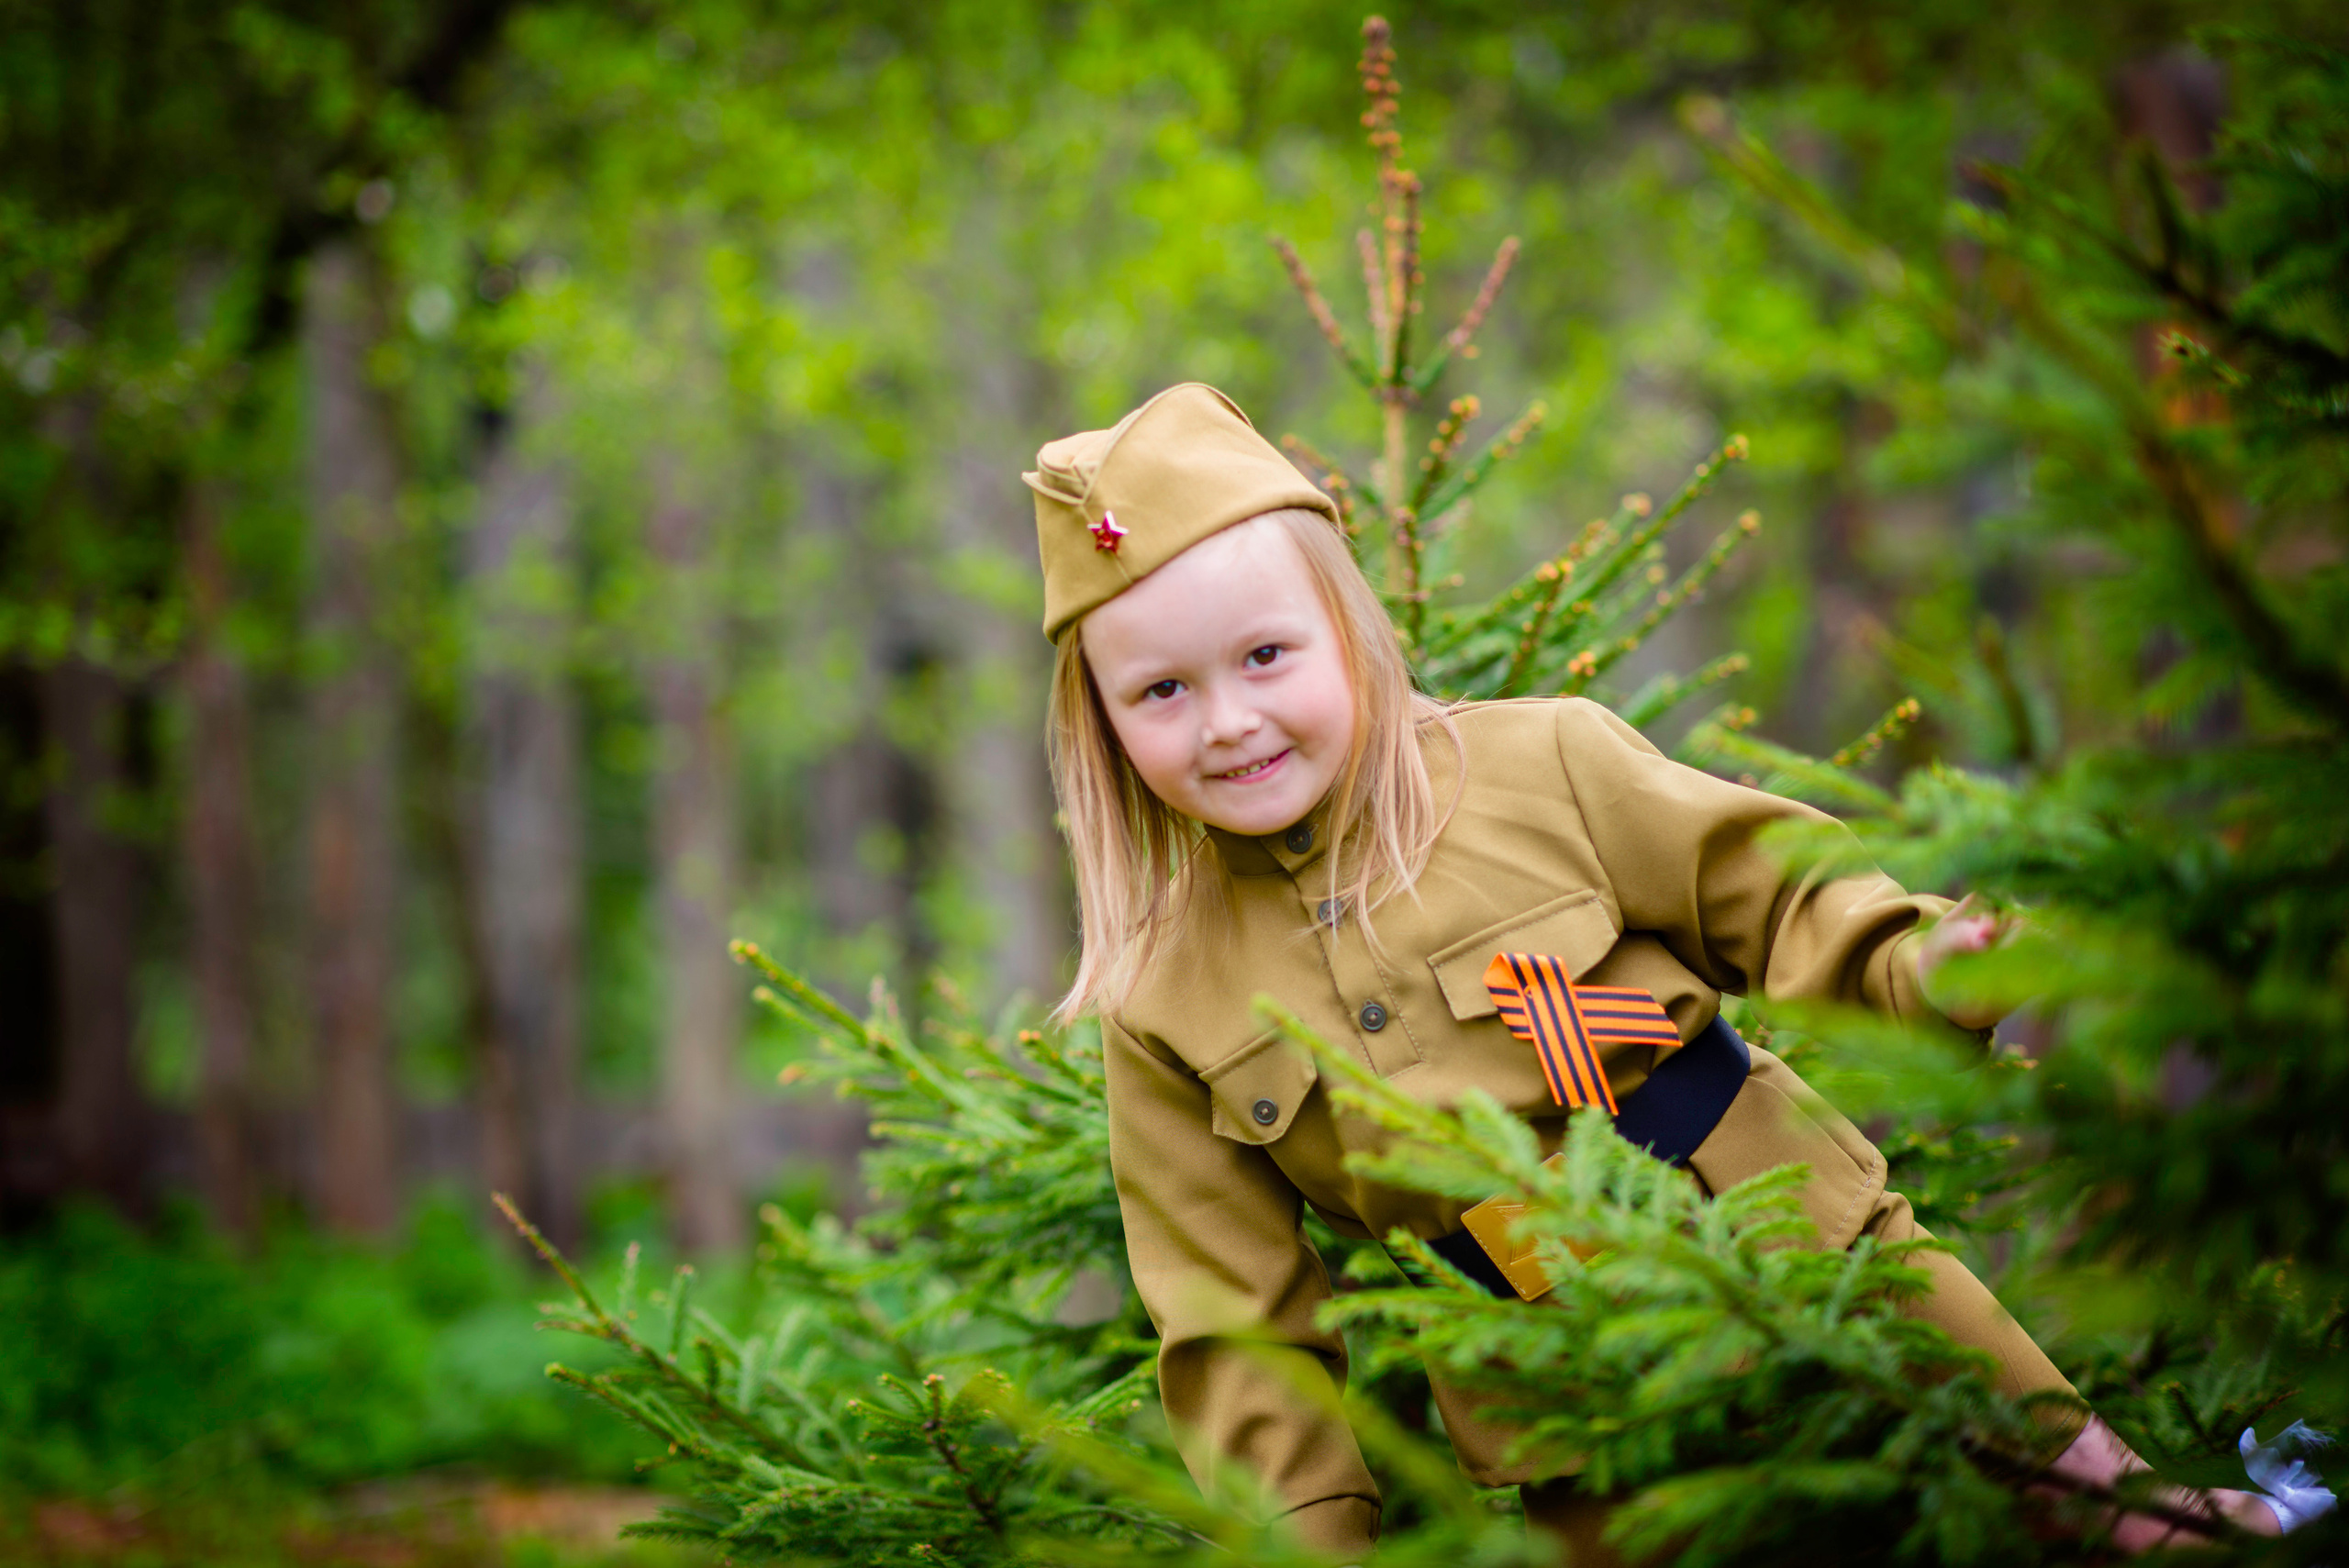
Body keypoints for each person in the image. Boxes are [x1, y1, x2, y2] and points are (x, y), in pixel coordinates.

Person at [1025, 383, 2289, 1561]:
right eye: (1162, 690)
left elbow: (1775, 891)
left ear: (1348, 631)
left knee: (2120, 1525)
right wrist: (1299, 1529)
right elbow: (1229, 1315)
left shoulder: (1542, 768)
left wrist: (1920, 968)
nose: (1228, 722)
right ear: (1105, 727)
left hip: (1821, 1256)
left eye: (1265, 656)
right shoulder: (1162, 1000)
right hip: (1577, 1405)